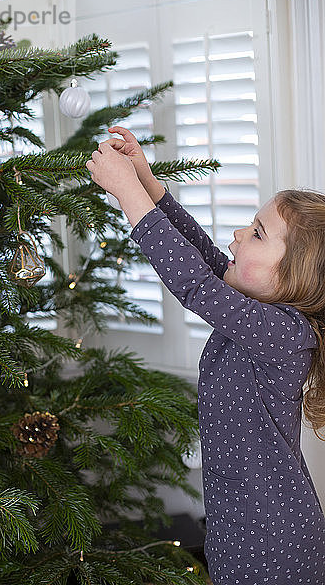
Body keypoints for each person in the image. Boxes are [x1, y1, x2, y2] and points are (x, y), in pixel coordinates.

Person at [86, 126, 325, 585]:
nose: (238, 233)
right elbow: (205, 261)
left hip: (273, 542)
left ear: (295, 278)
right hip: (238, 530)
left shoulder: (284, 334)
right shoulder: (256, 312)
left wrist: (127, 194)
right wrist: (149, 183)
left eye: (257, 234)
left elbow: (194, 284)